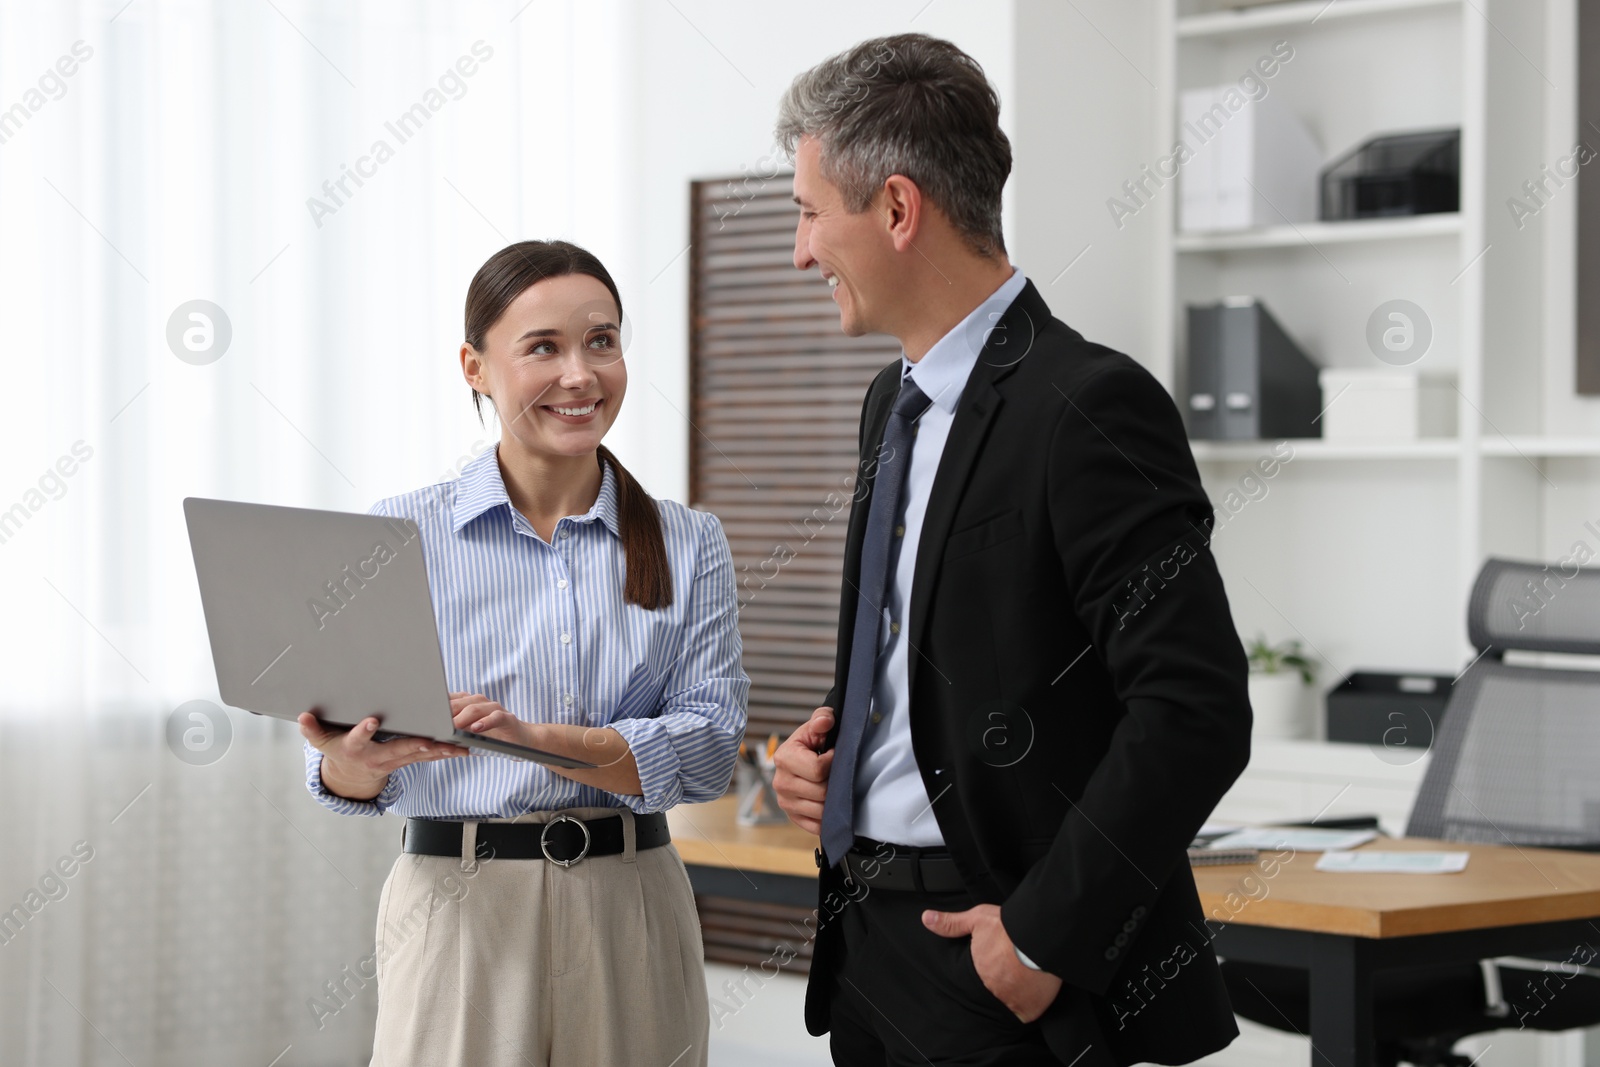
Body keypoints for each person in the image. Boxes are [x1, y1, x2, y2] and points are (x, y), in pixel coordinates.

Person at [769, 34, 1253, 1067]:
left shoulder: (1085, 404)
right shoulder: (887, 402)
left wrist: (1041, 936)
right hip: (866, 946)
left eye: (811, 213)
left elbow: (1196, 708)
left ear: (897, 210)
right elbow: (942, 638)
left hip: (998, 962)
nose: (800, 252)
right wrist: (833, 756)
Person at [297, 239, 748, 1067]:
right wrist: (352, 760)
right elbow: (344, 780)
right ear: (475, 365)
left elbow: (711, 751)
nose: (581, 374)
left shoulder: (689, 541)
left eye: (601, 341)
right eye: (543, 346)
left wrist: (538, 741)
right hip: (457, 912)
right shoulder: (402, 533)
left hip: (632, 906)